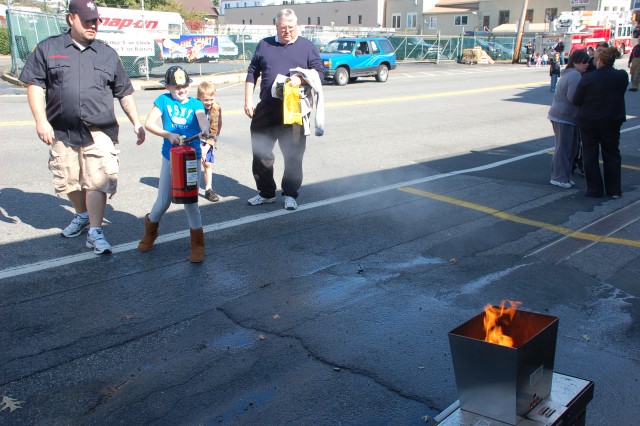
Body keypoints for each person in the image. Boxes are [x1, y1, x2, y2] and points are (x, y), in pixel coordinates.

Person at [18, 0, 145, 255]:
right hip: (62, 130)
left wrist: (136, 121)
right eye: (87, 20)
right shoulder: (48, 48)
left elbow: (124, 92)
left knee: (98, 178)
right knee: (70, 181)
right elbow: (34, 84)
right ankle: (82, 214)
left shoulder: (107, 54)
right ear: (70, 19)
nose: (93, 25)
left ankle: (95, 231)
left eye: (95, 20)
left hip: (99, 128)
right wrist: (40, 120)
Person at [244, 9, 324, 211]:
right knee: (261, 153)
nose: (286, 31)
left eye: (290, 27)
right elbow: (252, 72)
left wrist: (300, 78)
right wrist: (248, 100)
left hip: (294, 110)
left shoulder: (306, 47)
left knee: (293, 155)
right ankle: (267, 193)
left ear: (297, 26)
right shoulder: (265, 44)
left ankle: (290, 194)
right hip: (266, 109)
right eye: (282, 28)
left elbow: (319, 72)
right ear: (276, 27)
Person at [137, 66, 210, 263]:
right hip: (170, 157)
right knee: (163, 200)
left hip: (190, 159)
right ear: (168, 86)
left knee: (190, 202)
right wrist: (168, 134)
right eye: (176, 86)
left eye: (184, 85)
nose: (181, 89)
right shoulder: (163, 100)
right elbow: (150, 123)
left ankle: (197, 243)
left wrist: (204, 129)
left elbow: (203, 120)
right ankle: (151, 232)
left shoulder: (195, 103)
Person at [572, 47, 628, 199]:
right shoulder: (621, 76)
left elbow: (576, 99)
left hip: (590, 120)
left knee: (590, 154)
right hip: (612, 120)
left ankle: (595, 189)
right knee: (611, 153)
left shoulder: (588, 78)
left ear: (599, 60)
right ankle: (614, 189)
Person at [548, 50, 590, 189]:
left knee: (568, 148)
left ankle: (563, 176)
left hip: (562, 116)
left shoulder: (570, 74)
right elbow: (573, 98)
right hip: (564, 117)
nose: (587, 65)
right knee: (564, 149)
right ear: (576, 62)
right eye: (584, 62)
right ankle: (559, 177)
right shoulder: (575, 76)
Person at [197, 81, 223, 201]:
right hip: (195, 139)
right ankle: (191, 188)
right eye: (205, 100)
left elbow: (215, 128)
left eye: (211, 99)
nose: (209, 102)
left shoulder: (216, 108)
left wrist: (207, 146)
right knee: (193, 164)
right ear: (199, 98)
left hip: (208, 139)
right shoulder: (194, 106)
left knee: (207, 164)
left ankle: (208, 189)